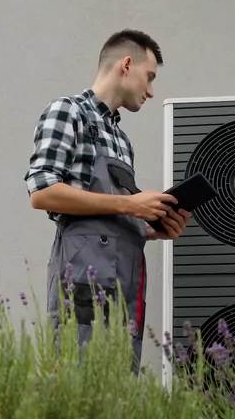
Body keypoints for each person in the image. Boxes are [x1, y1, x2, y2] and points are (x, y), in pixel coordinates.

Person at [24, 29, 192, 373]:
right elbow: (42, 191)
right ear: (126, 65)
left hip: (124, 282)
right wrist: (130, 205)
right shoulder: (68, 111)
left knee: (119, 388)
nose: (150, 91)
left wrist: (150, 226)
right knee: (80, 382)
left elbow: (109, 211)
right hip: (83, 278)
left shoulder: (121, 139)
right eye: (149, 77)